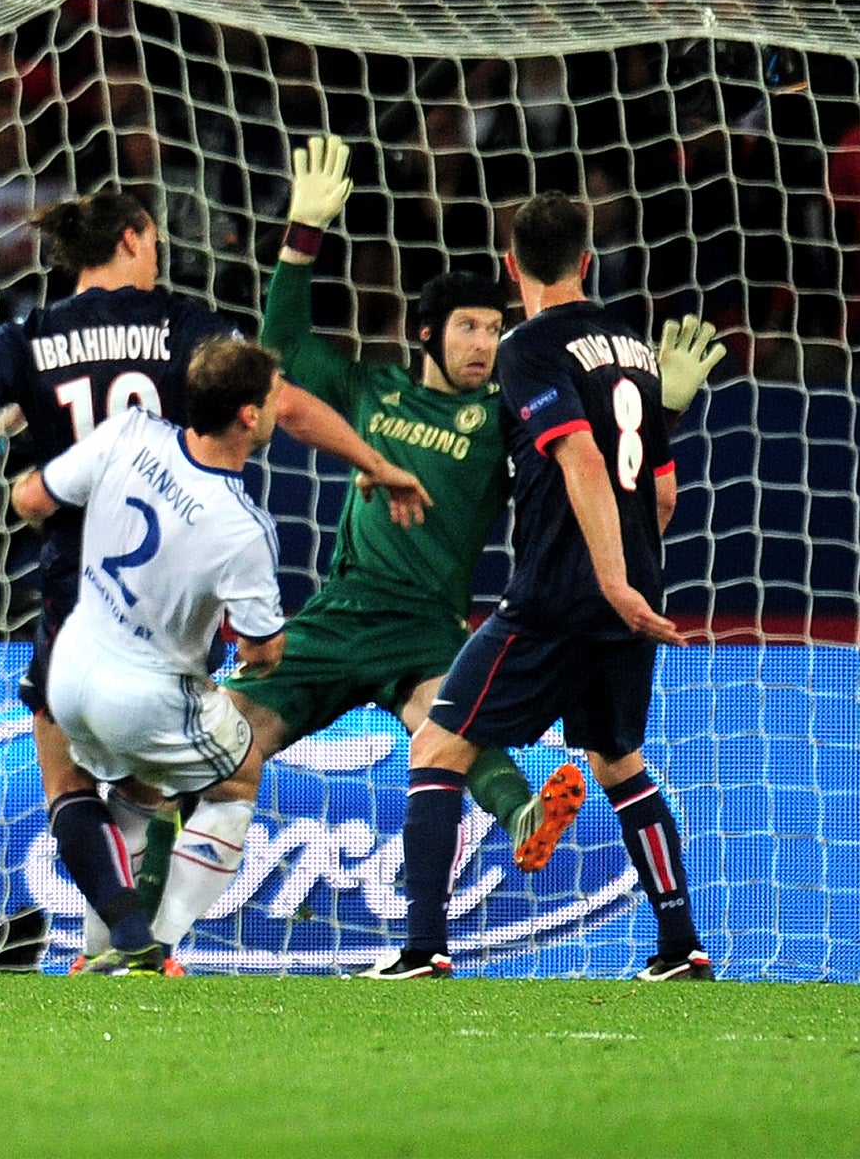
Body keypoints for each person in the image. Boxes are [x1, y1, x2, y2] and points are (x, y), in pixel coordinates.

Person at [0, 187, 429, 970]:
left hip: (77, 591)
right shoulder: (181, 327)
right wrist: (378, 464)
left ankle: (116, 937)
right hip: (177, 594)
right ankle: (125, 945)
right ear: (131, 237)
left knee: (71, 783)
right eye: (153, 238)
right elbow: (284, 408)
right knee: (161, 784)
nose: (160, 253)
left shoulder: (33, 335)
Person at [139, 138, 575, 963]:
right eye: (470, 327)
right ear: (426, 334)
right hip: (338, 618)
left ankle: (525, 815)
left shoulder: (508, 416)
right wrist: (301, 238)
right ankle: (141, 935)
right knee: (212, 747)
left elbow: (580, 448)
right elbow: (278, 354)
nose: (486, 343)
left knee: (449, 732)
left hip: (426, 626)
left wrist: (658, 411)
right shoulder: (372, 391)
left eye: (495, 327)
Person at [363, 192, 725, 981]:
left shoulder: (528, 348)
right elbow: (663, 494)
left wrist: (606, 582)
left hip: (560, 594)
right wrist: (632, 584)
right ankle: (680, 944)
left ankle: (422, 948)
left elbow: (583, 458)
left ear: (511, 266)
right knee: (618, 758)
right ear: (588, 261)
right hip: (628, 592)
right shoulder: (634, 347)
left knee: (438, 744)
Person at [9, 337, 287, 975]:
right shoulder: (243, 527)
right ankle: (156, 945)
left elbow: (31, 499)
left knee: (136, 788)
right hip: (146, 692)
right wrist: (267, 648)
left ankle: (97, 955)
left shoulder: (132, 431)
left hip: (71, 663)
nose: (278, 407)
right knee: (237, 781)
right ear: (248, 415)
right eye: (273, 397)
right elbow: (260, 648)